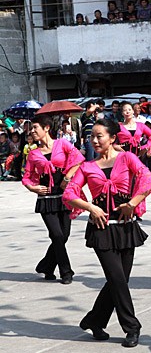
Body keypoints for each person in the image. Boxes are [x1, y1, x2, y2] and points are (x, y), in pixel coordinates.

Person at [63, 118, 151, 348]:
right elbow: (69, 193)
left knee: (119, 280)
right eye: (92, 137)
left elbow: (148, 179)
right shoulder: (87, 166)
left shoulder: (127, 158)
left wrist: (132, 203)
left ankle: (95, 319)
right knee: (117, 278)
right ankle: (132, 327)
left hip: (126, 226)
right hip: (101, 228)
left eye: (100, 136)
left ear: (112, 138)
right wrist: (91, 207)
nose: (94, 141)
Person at [22, 115, 85, 284]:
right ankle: (66, 271)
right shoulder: (33, 153)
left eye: (35, 128)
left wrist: (67, 178)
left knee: (64, 235)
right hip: (46, 199)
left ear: (47, 128)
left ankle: (46, 266)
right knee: (56, 235)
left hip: (65, 197)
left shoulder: (62, 144)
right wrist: (32, 187)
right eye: (31, 128)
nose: (32, 131)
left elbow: (78, 160)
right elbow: (26, 177)